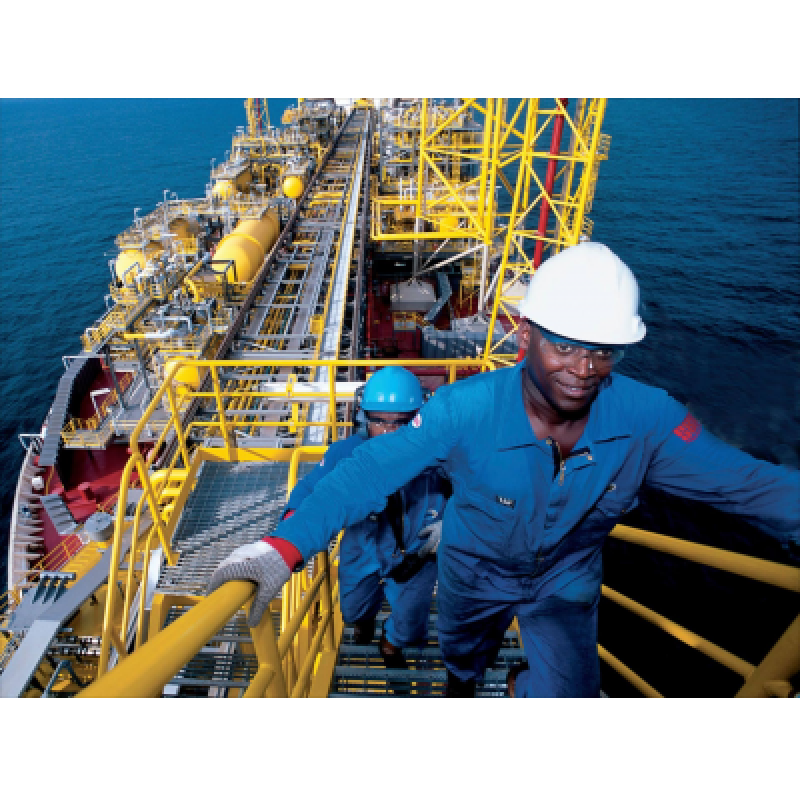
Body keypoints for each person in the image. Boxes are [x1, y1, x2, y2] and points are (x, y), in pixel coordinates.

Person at [209, 242, 800, 697]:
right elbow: (367, 471)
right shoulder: (465, 410)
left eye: (602, 351)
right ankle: (463, 684)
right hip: (474, 574)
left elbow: (748, 485)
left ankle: (519, 689)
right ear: (526, 334)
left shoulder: (648, 419)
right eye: (564, 346)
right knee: (463, 655)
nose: (584, 369)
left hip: (565, 583)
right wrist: (282, 548)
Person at [212, 366, 449, 671]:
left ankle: (391, 646)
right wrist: (289, 531)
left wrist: (451, 525)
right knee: (352, 605)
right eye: (379, 421)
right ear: (364, 418)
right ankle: (363, 623)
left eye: (400, 422)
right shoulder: (345, 453)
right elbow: (310, 490)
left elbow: (473, 490)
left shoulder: (439, 458)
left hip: (419, 550)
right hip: (363, 544)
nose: (388, 432)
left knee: (410, 617)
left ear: (418, 419)